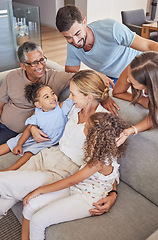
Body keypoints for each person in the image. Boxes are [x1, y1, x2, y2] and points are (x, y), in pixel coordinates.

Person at [0, 70, 117, 222]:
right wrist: (33, 128)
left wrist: (113, 192)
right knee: (9, 191)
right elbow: (46, 115)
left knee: (5, 181)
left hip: (65, 170)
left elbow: (110, 160)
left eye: (73, 94)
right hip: (48, 155)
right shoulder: (73, 108)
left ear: (88, 97)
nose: (69, 97)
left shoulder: (103, 121)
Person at [22, 112, 127, 240]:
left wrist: (38, 190)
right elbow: (112, 175)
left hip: (87, 199)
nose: (83, 126)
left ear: (94, 136)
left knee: (38, 220)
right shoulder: (105, 147)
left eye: (86, 126)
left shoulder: (99, 161)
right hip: (78, 187)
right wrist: (113, 192)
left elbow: (70, 181)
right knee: (30, 206)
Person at [56, 5, 158, 114]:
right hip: (112, 79)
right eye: (68, 37)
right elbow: (71, 73)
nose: (75, 41)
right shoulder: (72, 46)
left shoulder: (112, 28)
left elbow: (148, 46)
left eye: (77, 33)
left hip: (135, 69)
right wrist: (95, 75)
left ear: (84, 22)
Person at [0, 41, 73, 144]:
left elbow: (79, 77)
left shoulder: (55, 77)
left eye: (42, 60)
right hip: (2, 123)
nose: (40, 66)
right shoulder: (12, 76)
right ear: (23, 65)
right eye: (34, 63)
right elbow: (1, 103)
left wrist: (101, 77)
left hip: (18, 133)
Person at [0, 82, 73, 171]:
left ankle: (9, 170)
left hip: (48, 141)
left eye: (52, 93)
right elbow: (28, 129)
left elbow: (72, 98)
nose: (52, 97)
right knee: (12, 142)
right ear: (38, 104)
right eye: (46, 97)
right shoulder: (38, 113)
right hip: (33, 137)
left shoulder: (61, 107)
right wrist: (19, 144)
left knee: (31, 151)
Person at [113, 51, 158, 146]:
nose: (127, 80)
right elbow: (117, 92)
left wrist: (133, 129)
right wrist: (141, 100)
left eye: (132, 83)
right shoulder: (135, 68)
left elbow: (155, 116)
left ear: (148, 84)